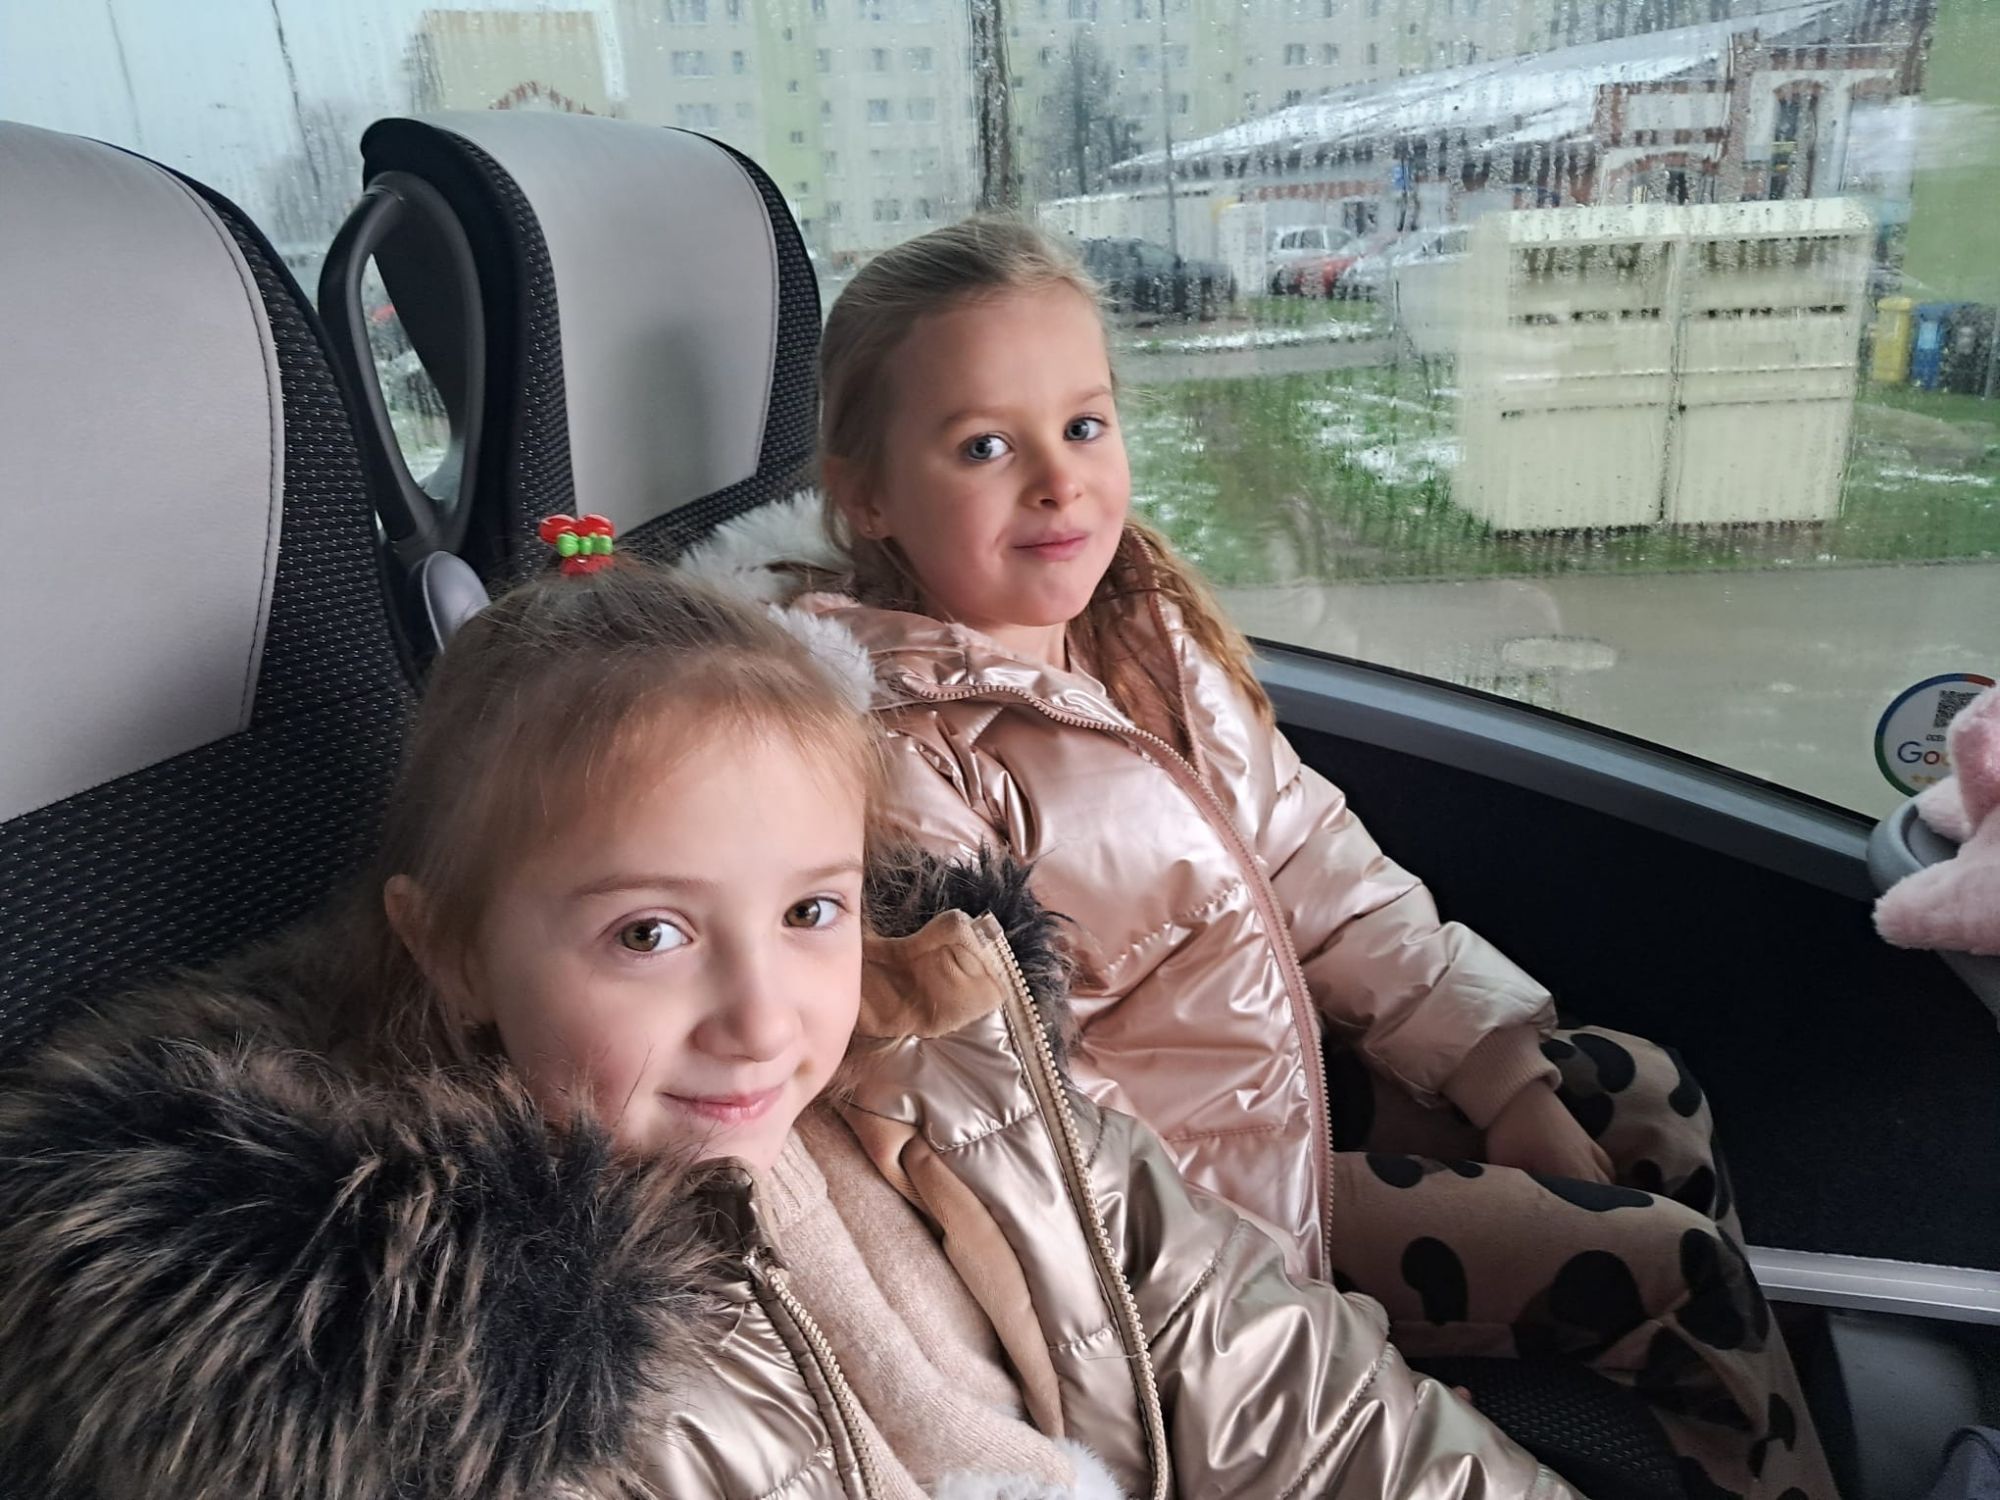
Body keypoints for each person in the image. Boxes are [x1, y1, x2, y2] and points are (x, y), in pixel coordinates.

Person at [677, 215, 1836, 1500]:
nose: (1058, 483)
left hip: (1281, 1096)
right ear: (867, 496)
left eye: (1084, 425)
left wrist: (1497, 1073)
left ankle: (1708, 1427)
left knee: (1648, 1094)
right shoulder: (897, 755)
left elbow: (1316, 866)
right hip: (1217, 1227)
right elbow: (1046, 1137)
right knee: (1672, 1268)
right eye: (984, 447)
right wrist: (1325, 1334)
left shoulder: (1142, 641)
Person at [0, 558, 1565, 1500]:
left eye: (814, 909)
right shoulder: (449, 1381)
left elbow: (1275, 1370)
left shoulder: (952, 1071)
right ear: (454, 954)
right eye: (650, 934)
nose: (764, 1016)